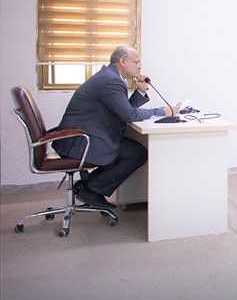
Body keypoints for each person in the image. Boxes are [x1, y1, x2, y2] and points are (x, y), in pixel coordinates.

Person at [53, 46, 179, 209]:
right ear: (123, 61)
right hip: (81, 141)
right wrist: (162, 111)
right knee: (136, 154)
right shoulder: (111, 81)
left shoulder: (109, 77)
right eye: (137, 62)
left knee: (135, 151)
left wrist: (141, 91)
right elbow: (129, 115)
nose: (140, 67)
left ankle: (90, 185)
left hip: (82, 137)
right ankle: (91, 189)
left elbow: (124, 110)